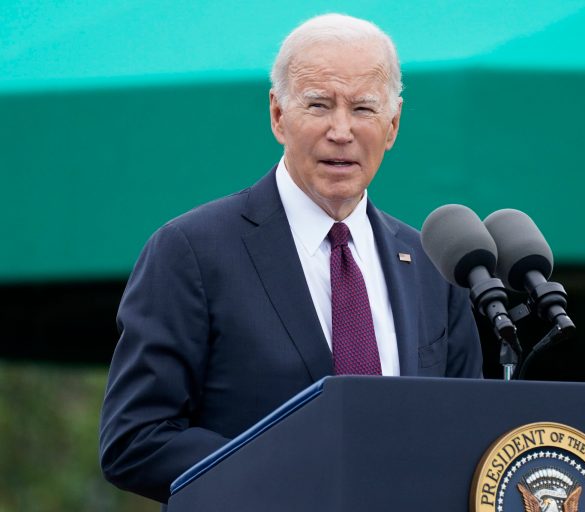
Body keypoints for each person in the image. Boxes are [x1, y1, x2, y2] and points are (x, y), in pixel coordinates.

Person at [99, 13, 483, 504]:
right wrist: (289, 475)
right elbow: (135, 439)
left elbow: (466, 434)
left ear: (393, 125)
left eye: (363, 108)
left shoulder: (433, 263)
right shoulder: (192, 251)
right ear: (278, 115)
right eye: (319, 105)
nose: (341, 130)